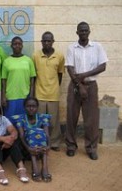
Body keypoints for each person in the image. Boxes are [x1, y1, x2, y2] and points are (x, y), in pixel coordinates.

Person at [65, 21, 108, 160]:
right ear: (77, 32)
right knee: (72, 117)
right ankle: (71, 146)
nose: (83, 33)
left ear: (89, 32)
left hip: (91, 86)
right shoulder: (72, 48)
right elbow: (70, 69)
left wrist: (84, 75)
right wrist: (80, 86)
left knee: (91, 119)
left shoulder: (97, 47)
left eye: (86, 30)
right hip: (75, 86)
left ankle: (91, 148)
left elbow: (102, 66)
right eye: (81, 31)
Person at [32, 31, 65, 152]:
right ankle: (39, 141)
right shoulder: (35, 56)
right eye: (44, 41)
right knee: (39, 119)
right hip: (39, 93)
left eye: (49, 40)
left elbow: (60, 74)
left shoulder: (59, 56)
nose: (46, 43)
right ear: (41, 42)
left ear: (53, 41)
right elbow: (33, 75)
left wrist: (55, 87)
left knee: (53, 120)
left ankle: (55, 142)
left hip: (53, 93)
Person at [11, 97, 52, 182]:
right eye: (28, 106)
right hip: (25, 148)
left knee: (40, 133)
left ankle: (44, 167)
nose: (31, 108)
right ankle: (35, 167)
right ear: (24, 107)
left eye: (34, 106)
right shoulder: (21, 118)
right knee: (32, 132)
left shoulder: (42, 117)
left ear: (37, 107)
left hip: (40, 149)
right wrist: (29, 148)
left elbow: (47, 135)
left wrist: (49, 146)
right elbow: (22, 136)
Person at [1, 36, 36, 120]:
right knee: (10, 120)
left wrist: (31, 95)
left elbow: (32, 79)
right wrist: (3, 96)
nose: (17, 46)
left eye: (19, 44)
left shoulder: (28, 60)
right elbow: (3, 80)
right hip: (11, 96)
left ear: (22, 46)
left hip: (24, 96)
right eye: (15, 44)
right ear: (11, 46)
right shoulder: (6, 61)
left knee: (23, 121)